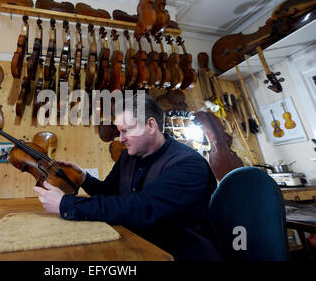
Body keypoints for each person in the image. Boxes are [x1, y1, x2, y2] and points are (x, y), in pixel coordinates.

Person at [33, 94, 221, 261]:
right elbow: (110, 193)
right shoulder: (128, 156)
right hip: (138, 244)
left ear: (151, 125)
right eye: (119, 131)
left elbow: (142, 207)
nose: (120, 139)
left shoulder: (188, 164)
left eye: (126, 131)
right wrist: (84, 178)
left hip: (180, 254)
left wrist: (65, 204)